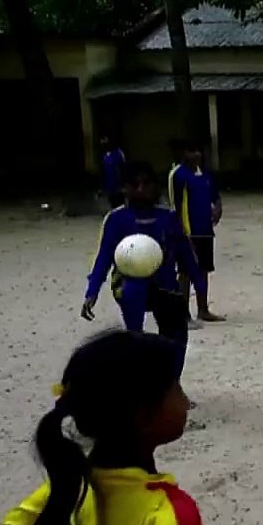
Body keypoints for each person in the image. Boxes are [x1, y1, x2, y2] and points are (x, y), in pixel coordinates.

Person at [1, 330, 229, 525]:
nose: (185, 403)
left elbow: (17, 524)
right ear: (142, 414)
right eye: (177, 390)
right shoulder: (168, 512)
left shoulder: (77, 482)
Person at [83, 161, 205, 383]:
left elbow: (185, 253)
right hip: (129, 285)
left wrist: (199, 282)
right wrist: (92, 291)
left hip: (165, 283)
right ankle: (140, 386)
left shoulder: (168, 218)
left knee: (176, 337)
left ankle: (170, 385)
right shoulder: (116, 219)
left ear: (154, 187)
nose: (140, 189)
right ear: (124, 188)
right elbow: (104, 256)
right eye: (133, 184)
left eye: (146, 184)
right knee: (136, 339)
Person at [169, 139, 225, 325]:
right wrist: (182, 233)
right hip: (188, 231)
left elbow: (215, 196)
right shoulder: (178, 175)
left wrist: (218, 208)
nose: (197, 155)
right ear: (183, 153)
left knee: (204, 270)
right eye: (191, 151)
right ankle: (182, 314)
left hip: (205, 230)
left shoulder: (206, 175)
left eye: (198, 151)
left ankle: (203, 309)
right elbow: (175, 206)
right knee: (185, 272)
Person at [100, 134, 126, 210]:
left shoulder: (118, 153)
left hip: (118, 187)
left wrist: (122, 185)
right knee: (113, 206)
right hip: (110, 187)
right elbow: (104, 172)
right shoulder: (106, 155)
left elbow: (122, 169)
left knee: (120, 207)